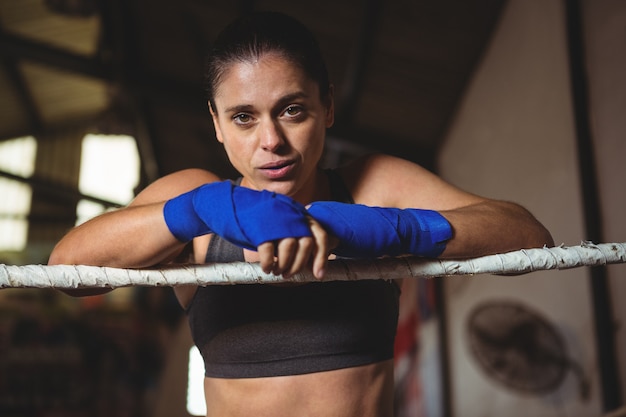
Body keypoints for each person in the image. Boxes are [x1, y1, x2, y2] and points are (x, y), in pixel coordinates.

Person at [48, 11, 554, 417]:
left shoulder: (372, 186)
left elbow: (531, 238)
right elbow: (64, 272)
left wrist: (393, 226)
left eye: (292, 109)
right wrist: (197, 209)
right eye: (243, 118)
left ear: (327, 106)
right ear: (217, 124)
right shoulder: (196, 196)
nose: (271, 141)